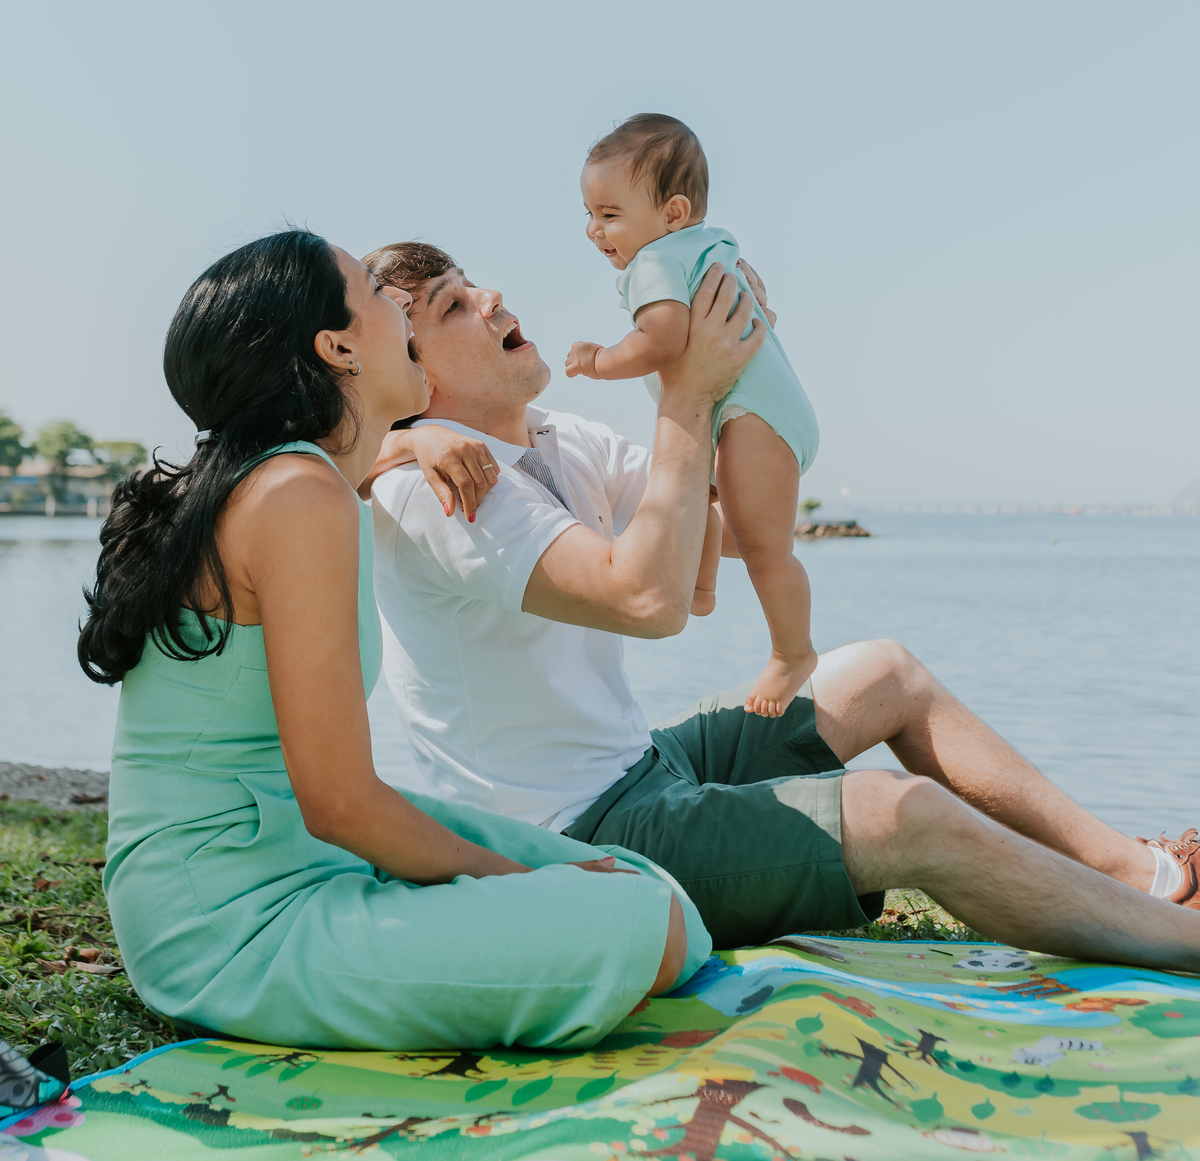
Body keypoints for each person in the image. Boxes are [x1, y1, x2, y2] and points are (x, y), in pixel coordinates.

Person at [364, 237, 1200, 960]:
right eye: (453, 306)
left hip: (642, 768)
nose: (491, 298)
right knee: (903, 813)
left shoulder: (559, 436)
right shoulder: (438, 490)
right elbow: (646, 602)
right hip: (573, 844)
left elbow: (738, 529)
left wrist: (740, 376)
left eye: (473, 284)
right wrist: (687, 393)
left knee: (884, 673)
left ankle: (1149, 876)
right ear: (414, 375)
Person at [79, 229, 713, 1053]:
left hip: (292, 846)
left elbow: (352, 466)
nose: (400, 315)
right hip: (227, 921)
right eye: (378, 297)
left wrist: (413, 437)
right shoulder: (297, 495)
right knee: (644, 925)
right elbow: (340, 803)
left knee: (647, 890)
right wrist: (518, 885)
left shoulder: (293, 477)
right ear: (338, 348)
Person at [566, 113, 819, 715]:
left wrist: (599, 360)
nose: (594, 230)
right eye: (588, 214)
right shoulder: (705, 246)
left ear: (673, 213)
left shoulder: (653, 263)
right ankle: (700, 588)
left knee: (765, 548)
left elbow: (662, 340)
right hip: (753, 409)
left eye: (609, 214)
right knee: (696, 495)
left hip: (753, 415)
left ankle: (792, 652)